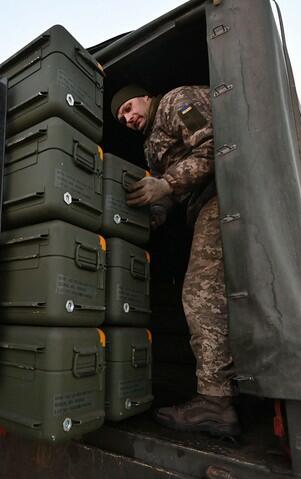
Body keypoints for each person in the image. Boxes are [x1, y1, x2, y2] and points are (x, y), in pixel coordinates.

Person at [111, 84, 239, 437]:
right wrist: (152, 214)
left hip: (224, 193)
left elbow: (216, 146)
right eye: (122, 117)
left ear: (145, 97)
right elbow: (167, 196)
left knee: (199, 295)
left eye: (129, 107)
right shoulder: (150, 145)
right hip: (200, 206)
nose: (128, 117)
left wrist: (165, 184)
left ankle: (215, 403)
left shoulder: (174, 102)